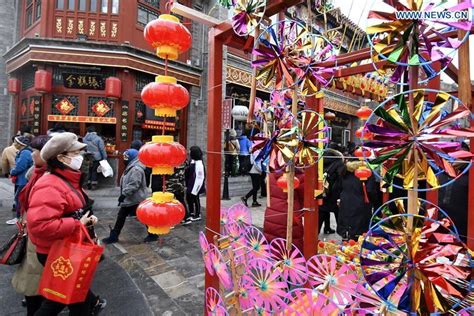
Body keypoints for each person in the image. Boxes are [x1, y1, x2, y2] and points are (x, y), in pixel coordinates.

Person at [26, 132, 106, 315]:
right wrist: (77, 223)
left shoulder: (67, 179)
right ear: (61, 157)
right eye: (76, 153)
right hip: (57, 252)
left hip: (67, 247)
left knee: (73, 297)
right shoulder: (49, 184)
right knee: (62, 298)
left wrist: (85, 220)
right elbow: (39, 225)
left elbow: (71, 209)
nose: (81, 157)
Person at [11, 135, 49, 316]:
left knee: (37, 280)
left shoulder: (47, 177)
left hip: (38, 237)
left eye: (35, 151)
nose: (32, 154)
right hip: (32, 234)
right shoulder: (36, 173)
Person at [102, 149, 154, 243]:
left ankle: (153, 234)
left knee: (129, 215)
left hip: (135, 198)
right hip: (132, 198)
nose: (124, 159)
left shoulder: (136, 169)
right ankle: (115, 235)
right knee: (126, 215)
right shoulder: (131, 166)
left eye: (126, 157)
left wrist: (124, 194)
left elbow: (134, 184)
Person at [337, 160, 379, 241]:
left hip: (346, 201)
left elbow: (337, 187)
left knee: (347, 222)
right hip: (361, 202)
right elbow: (370, 190)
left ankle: (346, 235)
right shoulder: (367, 172)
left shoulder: (345, 171)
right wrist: (374, 201)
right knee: (360, 230)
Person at [263, 172, 305, 250]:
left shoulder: (271, 174)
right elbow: (306, 199)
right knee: (291, 251)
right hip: (289, 217)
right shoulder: (298, 176)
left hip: (272, 215)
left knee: (273, 248)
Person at [7, 136, 33, 225]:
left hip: (23, 180)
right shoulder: (24, 151)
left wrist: (12, 171)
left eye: (15, 142)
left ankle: (19, 218)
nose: (14, 144)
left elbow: (20, 166)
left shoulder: (25, 152)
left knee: (19, 199)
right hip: (22, 180)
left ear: (20, 144)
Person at [319, 148, 345, 234]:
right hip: (335, 193)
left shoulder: (320, 161)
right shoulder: (339, 163)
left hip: (322, 191)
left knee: (322, 212)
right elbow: (341, 178)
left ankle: (317, 233)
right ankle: (343, 235)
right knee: (339, 214)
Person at [185, 146, 205, 222]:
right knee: (189, 198)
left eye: (190, 151)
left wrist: (195, 190)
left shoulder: (199, 164)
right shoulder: (192, 161)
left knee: (195, 199)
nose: (189, 152)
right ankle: (191, 212)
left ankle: (197, 214)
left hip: (195, 184)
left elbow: (200, 177)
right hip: (191, 183)